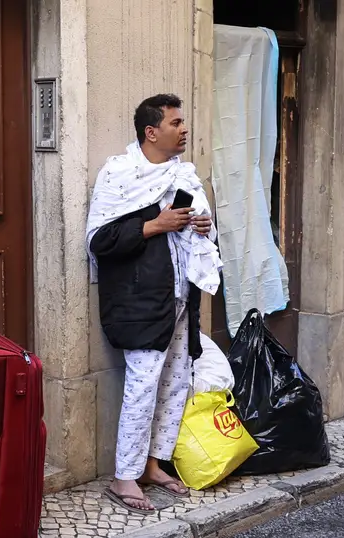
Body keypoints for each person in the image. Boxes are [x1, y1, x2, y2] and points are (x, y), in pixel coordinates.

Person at [85, 94, 224, 513]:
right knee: (143, 386)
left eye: (184, 123)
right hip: (140, 300)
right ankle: (124, 477)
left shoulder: (184, 174)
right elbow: (99, 241)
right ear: (151, 131)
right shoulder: (119, 174)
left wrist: (202, 226)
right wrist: (154, 225)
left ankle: (152, 464)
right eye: (176, 123)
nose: (184, 130)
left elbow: (205, 235)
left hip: (181, 297)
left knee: (176, 381)